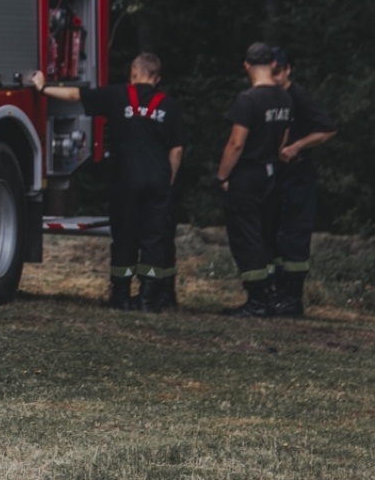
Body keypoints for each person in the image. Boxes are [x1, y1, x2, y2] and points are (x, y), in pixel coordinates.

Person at [32, 53, 187, 312]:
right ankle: (149, 299)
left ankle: (121, 297)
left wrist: (43, 87)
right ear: (157, 79)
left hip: (126, 178)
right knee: (154, 238)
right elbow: (177, 150)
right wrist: (167, 180)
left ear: (134, 73)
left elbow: (75, 96)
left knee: (125, 235)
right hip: (158, 179)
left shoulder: (117, 95)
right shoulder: (169, 106)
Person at [216, 42, 294, 317]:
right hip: (271, 172)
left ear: (246, 66)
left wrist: (223, 175)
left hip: (247, 174)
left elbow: (236, 143)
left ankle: (255, 301)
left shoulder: (248, 100)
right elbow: (284, 137)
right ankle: (269, 296)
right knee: (264, 234)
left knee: (245, 236)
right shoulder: (284, 98)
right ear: (273, 65)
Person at [270, 48, 338, 316]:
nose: (273, 77)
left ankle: (292, 299)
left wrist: (297, 146)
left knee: (294, 236)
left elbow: (327, 128)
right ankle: (276, 294)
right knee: (274, 235)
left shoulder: (298, 96)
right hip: (275, 176)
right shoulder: (268, 98)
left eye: (278, 72)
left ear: (287, 70)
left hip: (297, 176)